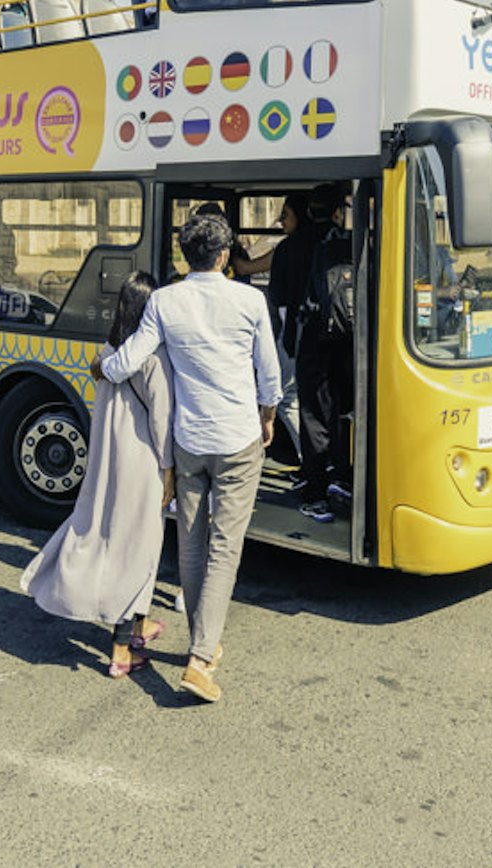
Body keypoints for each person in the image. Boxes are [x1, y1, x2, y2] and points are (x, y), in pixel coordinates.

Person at [93, 213, 280, 703]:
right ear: (224, 256)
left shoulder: (165, 300)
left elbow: (129, 358)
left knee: (192, 543)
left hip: (189, 441)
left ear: (184, 256)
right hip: (238, 439)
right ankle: (200, 656)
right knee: (225, 547)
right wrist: (268, 415)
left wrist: (101, 365)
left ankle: (204, 643)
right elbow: (269, 370)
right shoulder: (250, 300)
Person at [21, 272, 176, 678]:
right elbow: (162, 421)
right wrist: (171, 470)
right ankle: (122, 650)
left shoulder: (106, 353)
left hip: (109, 463)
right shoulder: (154, 358)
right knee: (138, 549)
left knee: (108, 537)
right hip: (143, 465)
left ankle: (139, 624)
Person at [293, 183, 354, 523]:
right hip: (350, 345)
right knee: (342, 413)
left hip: (316, 342)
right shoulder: (368, 244)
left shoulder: (310, 246)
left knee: (314, 415)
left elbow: (290, 294)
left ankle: (317, 490)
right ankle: (341, 479)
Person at [264, 193, 317, 460]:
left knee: (285, 398)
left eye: (285, 215)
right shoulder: (326, 241)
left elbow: (279, 302)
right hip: (325, 337)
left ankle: (310, 460)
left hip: (295, 334)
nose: (280, 221)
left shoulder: (287, 249)